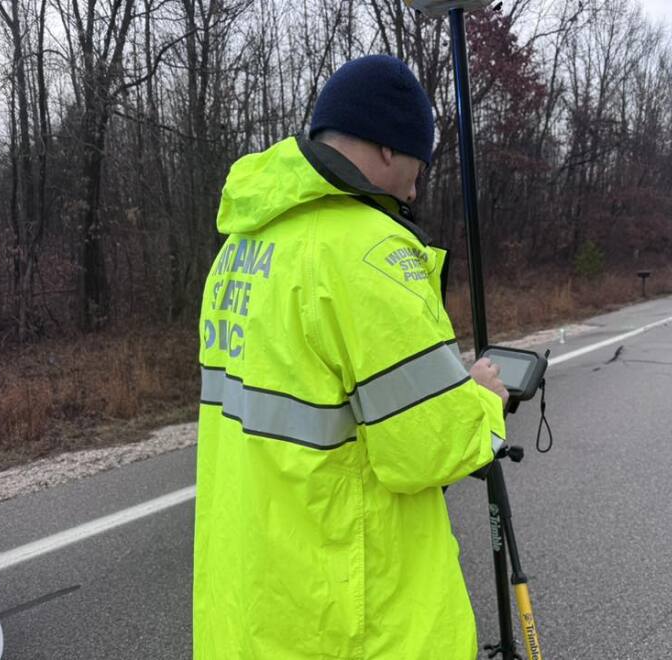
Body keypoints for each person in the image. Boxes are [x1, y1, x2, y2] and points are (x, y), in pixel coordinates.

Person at [193, 54, 509, 659]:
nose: (419, 181)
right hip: (349, 619)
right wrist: (483, 400)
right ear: (390, 148)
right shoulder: (368, 253)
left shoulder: (240, 246)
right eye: (420, 157)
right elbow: (427, 447)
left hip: (252, 605)